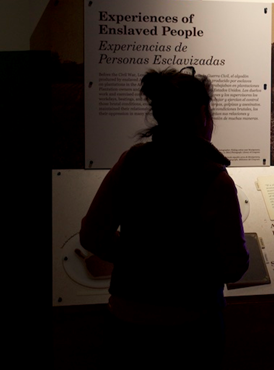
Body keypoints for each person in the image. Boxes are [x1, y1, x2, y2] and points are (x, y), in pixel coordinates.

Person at [80, 67, 249, 369]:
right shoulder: (214, 178)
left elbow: (93, 235)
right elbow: (234, 266)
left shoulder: (132, 161)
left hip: (127, 320)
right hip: (192, 327)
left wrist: (140, 256)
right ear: (201, 114)